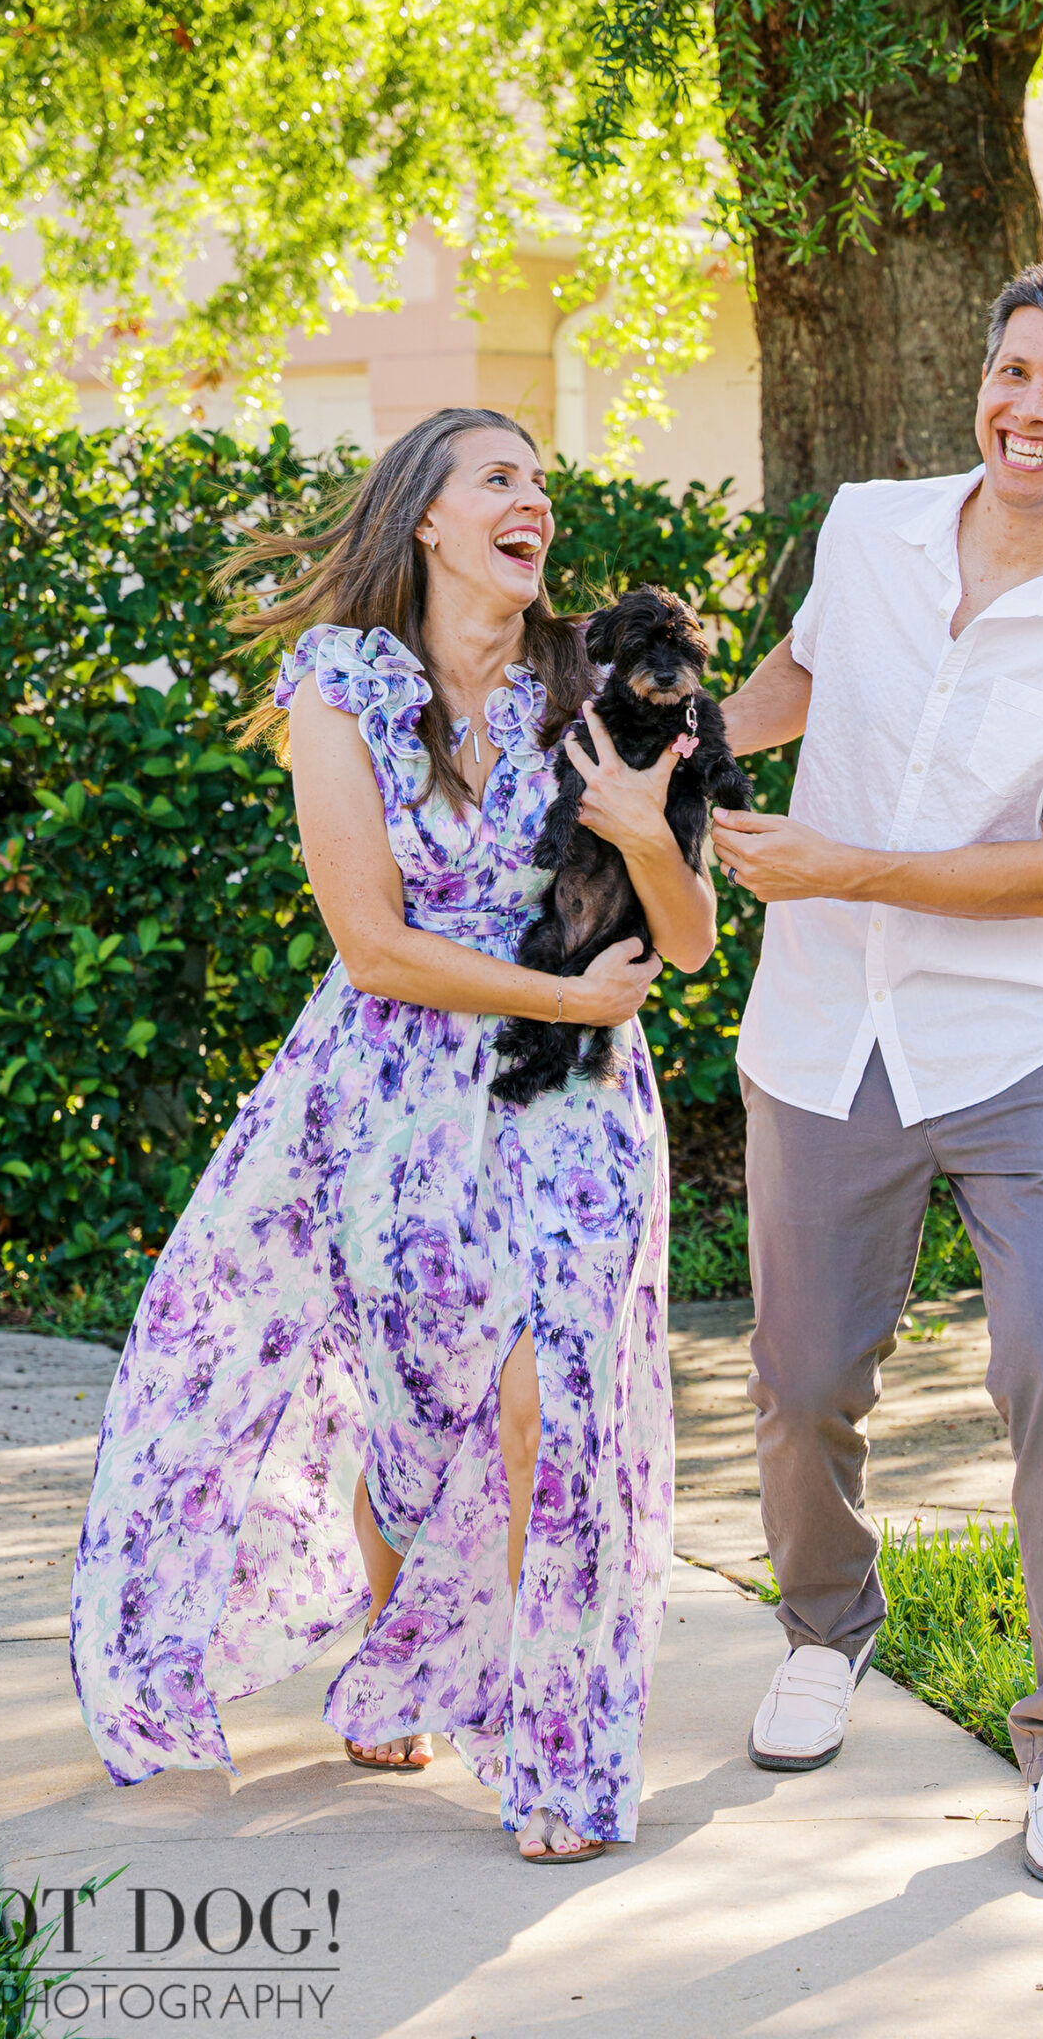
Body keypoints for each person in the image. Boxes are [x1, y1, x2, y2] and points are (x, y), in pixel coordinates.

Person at [71, 406, 718, 1863]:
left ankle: (557, 1756)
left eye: (541, 484)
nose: (533, 501)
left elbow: (684, 948)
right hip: (388, 1090)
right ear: (427, 516)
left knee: (559, 1402)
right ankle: (404, 1639)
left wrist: (643, 832)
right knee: (426, 1407)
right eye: (501, 478)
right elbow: (371, 944)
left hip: (572, 1093)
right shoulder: (344, 684)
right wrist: (554, 983)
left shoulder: (594, 684)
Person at [713, 261, 1043, 1890]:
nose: (1032, 408)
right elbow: (797, 679)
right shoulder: (866, 526)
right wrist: (677, 753)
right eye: (1015, 373)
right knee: (800, 1382)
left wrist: (840, 864)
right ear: (980, 383)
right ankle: (826, 1629)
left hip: (1024, 1043)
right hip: (821, 1032)